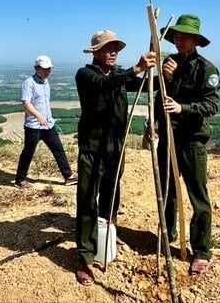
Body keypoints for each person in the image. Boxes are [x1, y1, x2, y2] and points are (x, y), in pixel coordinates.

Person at [74, 30, 156, 286]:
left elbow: (138, 85)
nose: (113, 53)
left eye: (116, 48)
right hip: (92, 148)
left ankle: (109, 233)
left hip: (115, 148)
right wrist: (136, 68)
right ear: (95, 52)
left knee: (112, 193)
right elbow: (104, 85)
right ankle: (85, 256)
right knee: (88, 199)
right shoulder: (85, 75)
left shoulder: (119, 73)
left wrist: (158, 73)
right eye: (108, 48)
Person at [154, 14, 220, 277]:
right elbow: (160, 97)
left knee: (197, 196)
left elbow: (211, 105)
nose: (180, 40)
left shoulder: (206, 69)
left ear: (195, 40)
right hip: (168, 137)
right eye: (177, 36)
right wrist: (166, 80)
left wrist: (183, 108)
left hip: (192, 139)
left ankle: (202, 251)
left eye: (185, 36)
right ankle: (168, 235)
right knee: (167, 190)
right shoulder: (168, 63)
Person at [14, 55, 78, 188]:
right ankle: (20, 180)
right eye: (44, 69)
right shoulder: (29, 83)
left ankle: (68, 177)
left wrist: (46, 118)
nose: (47, 71)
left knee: (58, 149)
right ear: (36, 68)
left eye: (49, 69)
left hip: (48, 124)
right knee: (28, 152)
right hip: (34, 126)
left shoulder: (46, 82)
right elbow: (26, 103)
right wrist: (38, 116)